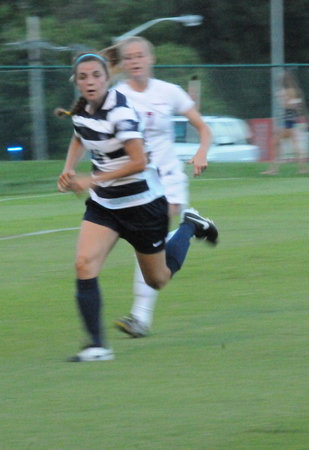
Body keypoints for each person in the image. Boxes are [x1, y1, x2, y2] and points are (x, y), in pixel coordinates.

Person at [57, 52, 218, 362]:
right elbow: (79, 136)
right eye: (83, 77)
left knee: (158, 279)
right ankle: (96, 347)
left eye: (96, 75)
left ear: (107, 78)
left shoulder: (120, 111)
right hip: (105, 205)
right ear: (76, 82)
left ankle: (189, 226)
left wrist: (92, 180)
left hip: (142, 205)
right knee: (84, 263)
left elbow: (138, 161)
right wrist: (68, 169)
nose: (90, 82)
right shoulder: (81, 110)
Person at [99, 36, 215, 339]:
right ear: (123, 64)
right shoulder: (115, 95)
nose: (135, 61)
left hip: (169, 180)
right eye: (129, 57)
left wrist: (202, 152)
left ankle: (140, 318)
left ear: (151, 59)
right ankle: (190, 226)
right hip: (135, 183)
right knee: (152, 254)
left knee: (148, 244)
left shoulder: (169, 92)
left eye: (140, 55)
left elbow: (203, 127)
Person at [262, 70, 309, 175]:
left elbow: (288, 105)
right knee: (293, 144)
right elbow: (298, 106)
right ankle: (303, 168)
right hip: (291, 118)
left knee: (276, 142)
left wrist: (279, 99)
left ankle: (274, 169)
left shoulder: (287, 91)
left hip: (288, 119)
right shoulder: (295, 90)